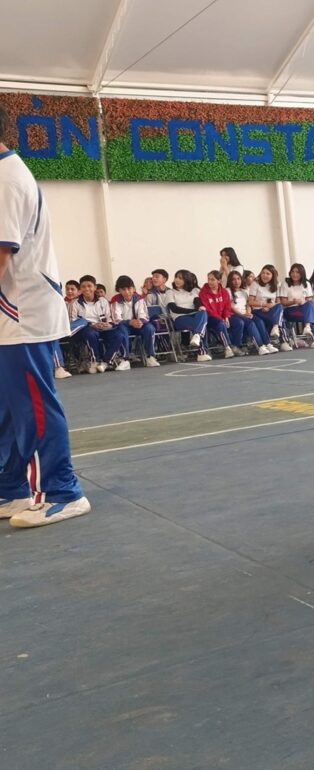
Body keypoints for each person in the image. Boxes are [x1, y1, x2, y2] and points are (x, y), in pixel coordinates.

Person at [0, 109, 92, 528]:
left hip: (24, 316)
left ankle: (62, 492)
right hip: (12, 317)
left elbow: (2, 255)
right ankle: (13, 488)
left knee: (34, 407)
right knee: (9, 409)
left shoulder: (6, 179)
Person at [70, 274, 130, 372]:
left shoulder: (103, 301)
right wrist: (92, 325)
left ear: (95, 287)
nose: (87, 289)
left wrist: (109, 324)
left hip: (103, 328)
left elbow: (109, 317)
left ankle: (106, 361)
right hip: (86, 330)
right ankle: (95, 361)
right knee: (90, 334)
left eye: (89, 286)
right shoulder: (75, 303)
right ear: (80, 289)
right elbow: (74, 322)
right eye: (83, 287)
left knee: (119, 334)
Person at [110, 274, 159, 366]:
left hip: (139, 325)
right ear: (119, 290)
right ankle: (125, 360)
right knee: (121, 330)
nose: (127, 292)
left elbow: (144, 315)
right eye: (123, 289)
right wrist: (130, 322)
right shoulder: (115, 300)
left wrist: (140, 321)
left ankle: (150, 357)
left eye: (129, 288)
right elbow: (116, 319)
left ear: (133, 288)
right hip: (125, 326)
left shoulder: (139, 298)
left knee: (150, 328)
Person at [167, 270, 213, 361]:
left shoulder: (194, 291)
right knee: (201, 325)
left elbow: (198, 304)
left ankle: (197, 335)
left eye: (180, 278)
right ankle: (202, 352)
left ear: (186, 280)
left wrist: (198, 309)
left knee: (203, 312)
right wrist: (193, 311)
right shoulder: (170, 292)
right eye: (176, 277)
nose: (177, 280)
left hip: (195, 316)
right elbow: (174, 308)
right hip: (179, 318)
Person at [226, 269, 275, 355]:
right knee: (250, 324)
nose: (236, 281)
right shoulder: (227, 291)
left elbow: (248, 304)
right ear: (230, 281)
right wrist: (242, 315)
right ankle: (260, 346)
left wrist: (248, 312)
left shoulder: (244, 291)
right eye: (233, 279)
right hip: (235, 315)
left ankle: (268, 344)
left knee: (259, 321)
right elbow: (230, 307)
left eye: (238, 278)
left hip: (246, 314)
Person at [280, 263, 314, 348]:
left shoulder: (306, 283)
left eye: (297, 272)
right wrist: (294, 301)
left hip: (304, 310)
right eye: (292, 272)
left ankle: (308, 328)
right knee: (312, 315)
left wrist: (303, 301)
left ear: (302, 273)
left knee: (310, 304)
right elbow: (283, 302)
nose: (294, 274)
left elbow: (309, 299)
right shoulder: (285, 283)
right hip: (290, 311)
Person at [248, 265, 291, 351]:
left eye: (268, 273)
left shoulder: (276, 285)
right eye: (263, 273)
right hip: (258, 311)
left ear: (273, 276)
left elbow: (278, 302)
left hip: (271, 310)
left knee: (280, 307)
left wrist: (271, 306)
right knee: (280, 318)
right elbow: (250, 302)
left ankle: (276, 328)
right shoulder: (255, 284)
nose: (264, 275)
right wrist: (264, 305)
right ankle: (280, 341)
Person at [199, 270, 236, 357]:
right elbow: (207, 309)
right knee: (220, 324)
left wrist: (226, 317)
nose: (210, 282)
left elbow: (227, 306)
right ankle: (227, 347)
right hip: (209, 318)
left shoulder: (224, 292)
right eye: (209, 279)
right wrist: (221, 319)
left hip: (222, 317)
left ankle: (237, 345)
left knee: (239, 323)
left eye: (212, 279)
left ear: (219, 281)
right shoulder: (203, 292)